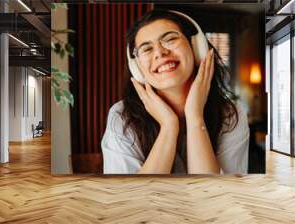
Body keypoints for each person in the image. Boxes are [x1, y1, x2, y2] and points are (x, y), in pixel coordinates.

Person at [101, 9, 249, 174]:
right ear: (137, 68)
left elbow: (215, 195)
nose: (159, 53)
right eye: (146, 49)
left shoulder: (230, 114)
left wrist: (195, 117)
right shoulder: (122, 116)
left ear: (196, 47)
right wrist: (169, 126)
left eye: (170, 39)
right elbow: (131, 198)